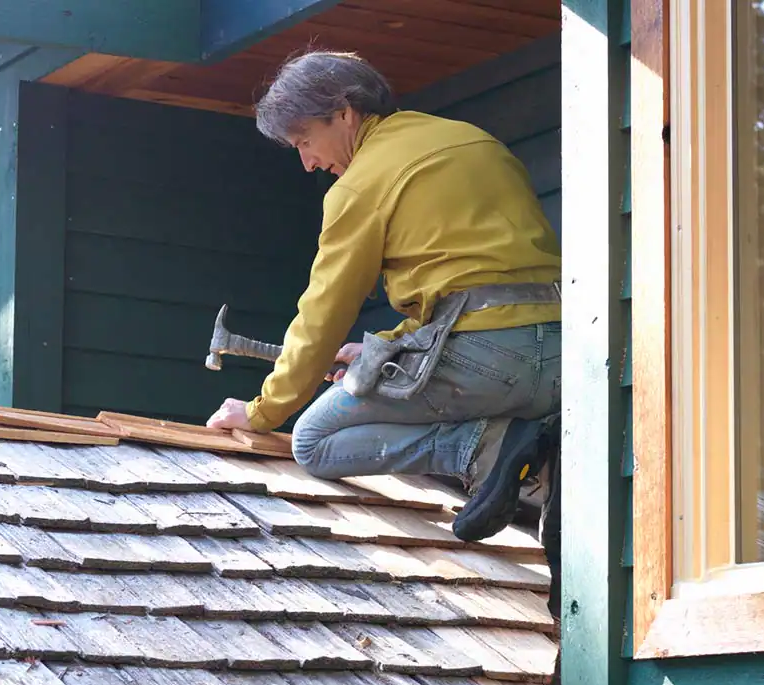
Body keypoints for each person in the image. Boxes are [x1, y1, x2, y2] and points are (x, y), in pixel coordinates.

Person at [205, 50, 561, 542]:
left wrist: (263, 410)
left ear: (345, 112)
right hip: (565, 359)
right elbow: (481, 278)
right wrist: (388, 346)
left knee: (314, 440)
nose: (308, 163)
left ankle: (485, 452)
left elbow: (323, 313)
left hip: (490, 365)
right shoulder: (475, 141)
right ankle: (533, 462)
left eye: (306, 141)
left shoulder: (360, 184)